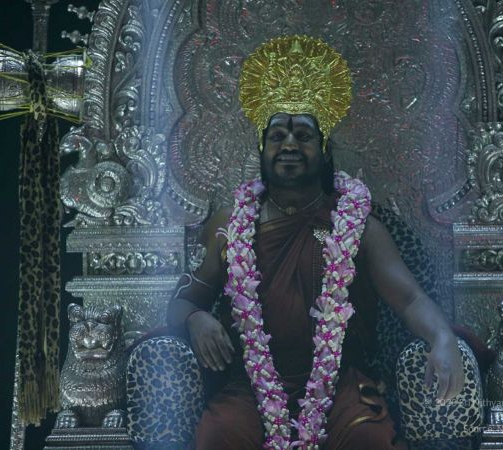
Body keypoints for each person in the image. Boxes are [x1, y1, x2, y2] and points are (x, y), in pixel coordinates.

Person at [165, 35, 464, 450]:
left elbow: (410, 299)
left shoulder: (359, 226)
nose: (289, 144)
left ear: (323, 149)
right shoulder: (229, 224)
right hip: (250, 388)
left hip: (339, 386)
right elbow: (181, 303)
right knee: (219, 436)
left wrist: (443, 338)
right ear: (262, 147)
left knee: (367, 438)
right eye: (277, 135)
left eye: (303, 135)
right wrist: (195, 319)